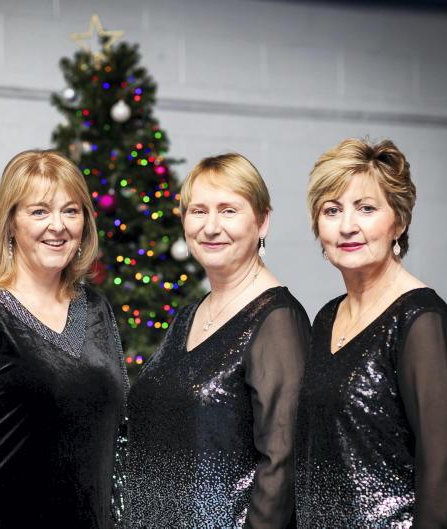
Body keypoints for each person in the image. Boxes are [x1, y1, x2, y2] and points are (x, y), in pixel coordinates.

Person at [0, 149, 127, 528]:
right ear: (10, 223)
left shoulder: (97, 308)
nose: (58, 226)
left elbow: (120, 440)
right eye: (39, 212)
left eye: (71, 211)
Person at [124, 153, 309, 528]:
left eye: (228, 211)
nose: (210, 227)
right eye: (198, 211)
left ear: (262, 220)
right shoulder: (188, 316)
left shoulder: (277, 320)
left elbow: (283, 464)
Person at [296, 138, 447, 528]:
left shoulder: (422, 321)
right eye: (332, 210)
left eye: (366, 208)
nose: (347, 226)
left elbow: (443, 476)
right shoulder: (327, 317)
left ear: (400, 222)